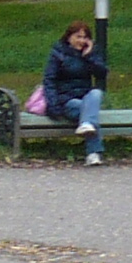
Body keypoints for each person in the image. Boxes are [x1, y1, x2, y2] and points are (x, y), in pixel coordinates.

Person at [41, 19, 108, 163]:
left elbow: (102, 74)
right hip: (66, 100)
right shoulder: (58, 54)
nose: (81, 41)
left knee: (96, 93)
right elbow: (49, 80)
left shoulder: (90, 54)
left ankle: (86, 125)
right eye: (78, 37)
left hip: (86, 97)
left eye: (85, 37)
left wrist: (89, 56)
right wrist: (53, 105)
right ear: (69, 37)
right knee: (89, 113)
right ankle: (93, 153)